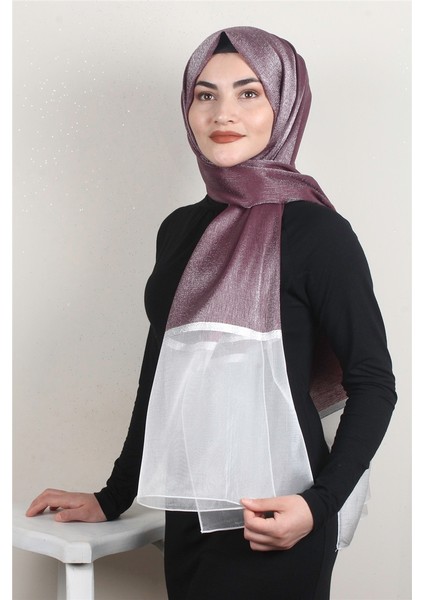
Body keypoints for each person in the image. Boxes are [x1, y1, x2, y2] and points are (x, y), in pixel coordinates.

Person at [26, 26, 397, 599]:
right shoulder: (179, 229)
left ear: (285, 105)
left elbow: (374, 384)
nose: (223, 113)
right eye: (206, 94)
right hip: (189, 509)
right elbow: (161, 373)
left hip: (280, 517)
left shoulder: (318, 232)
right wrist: (113, 496)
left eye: (249, 93)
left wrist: (317, 506)